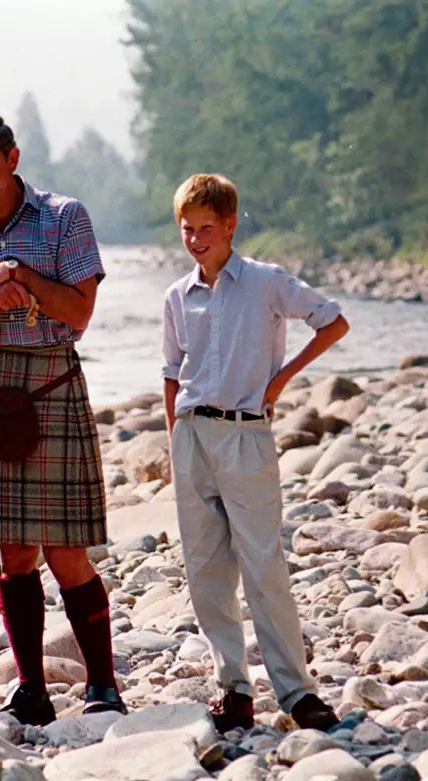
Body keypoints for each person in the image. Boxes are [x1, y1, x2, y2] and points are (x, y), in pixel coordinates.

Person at [0, 110, 125, 725]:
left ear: (12, 159)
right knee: (14, 553)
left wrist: (18, 273)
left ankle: (103, 685)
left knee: (65, 551)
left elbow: (79, 313)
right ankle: (31, 689)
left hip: (53, 379)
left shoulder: (65, 217)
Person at [161, 173, 349, 733]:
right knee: (205, 570)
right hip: (192, 436)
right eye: (187, 230)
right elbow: (171, 372)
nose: (196, 240)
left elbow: (333, 321)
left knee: (264, 564)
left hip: (246, 435)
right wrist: (174, 439)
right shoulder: (177, 296)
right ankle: (234, 689)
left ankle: (297, 692)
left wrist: (281, 379)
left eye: (206, 229)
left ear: (230, 226)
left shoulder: (266, 282)